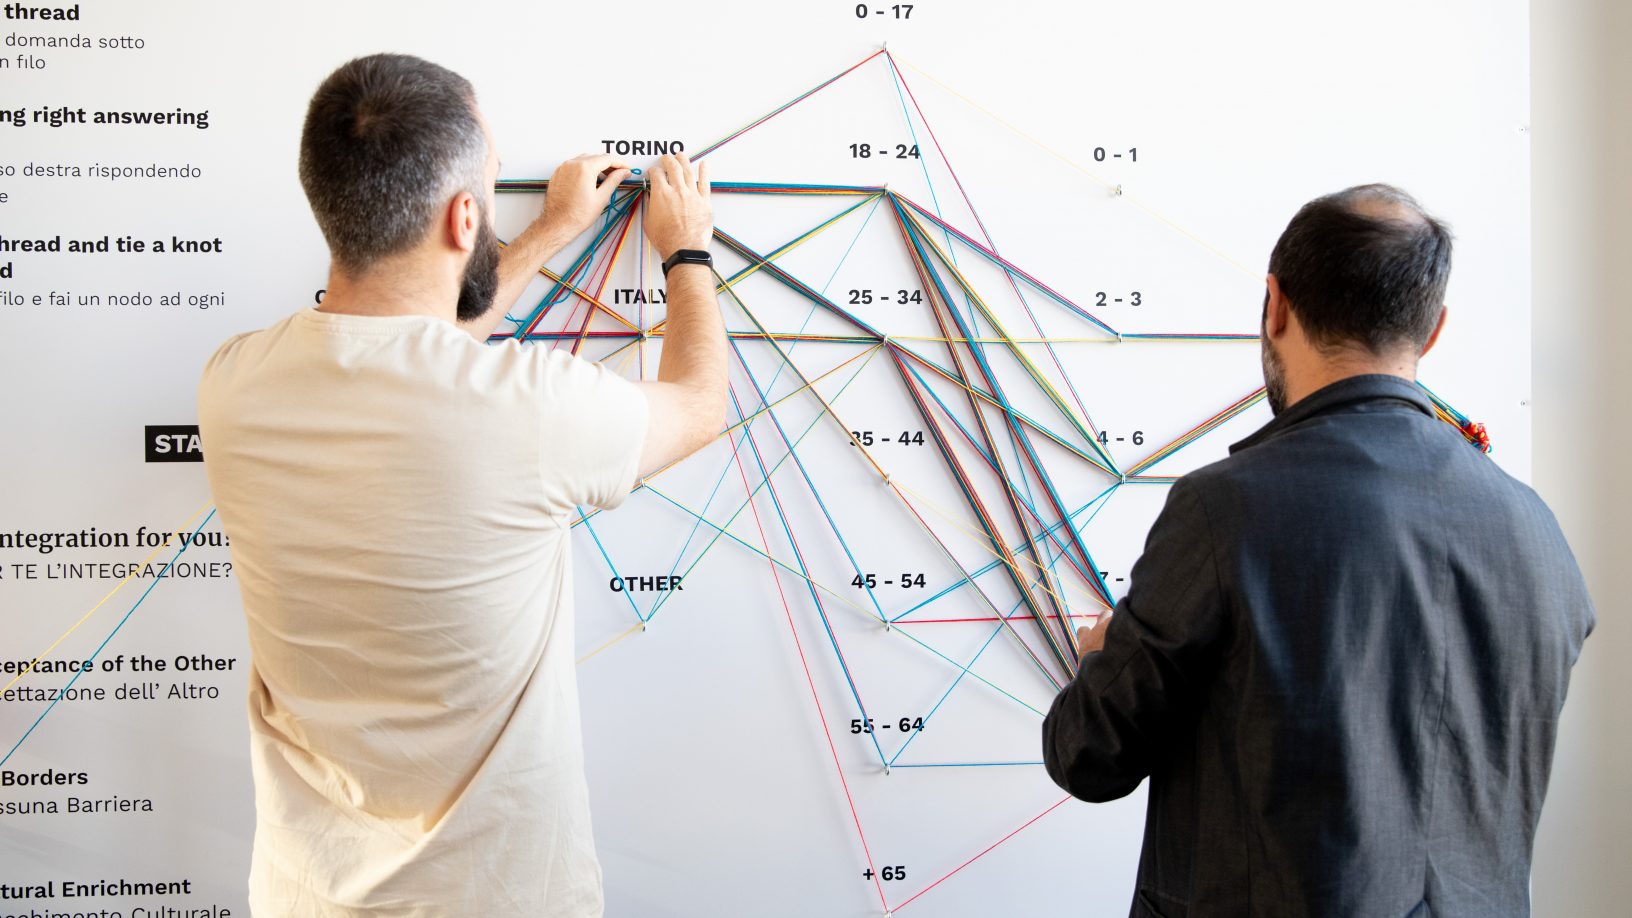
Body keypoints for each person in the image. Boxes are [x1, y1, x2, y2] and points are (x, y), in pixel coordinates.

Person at [197, 54, 725, 916]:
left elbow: (413, 345)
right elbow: (699, 405)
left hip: (305, 893)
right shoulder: (530, 406)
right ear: (466, 216)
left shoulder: (232, 382)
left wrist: (552, 229)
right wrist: (687, 247)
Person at [1041, 184, 1594, 917]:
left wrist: (1103, 658)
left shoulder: (1225, 511)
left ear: (1275, 306)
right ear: (1432, 330)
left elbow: (1088, 756)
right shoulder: (1536, 530)